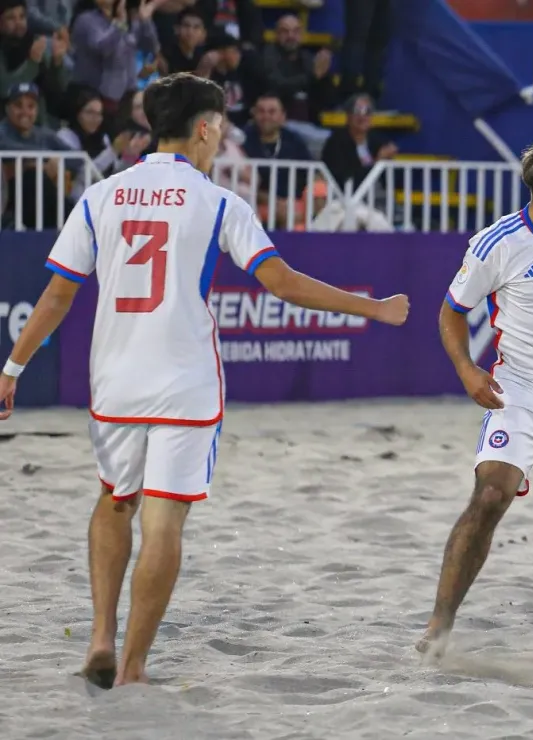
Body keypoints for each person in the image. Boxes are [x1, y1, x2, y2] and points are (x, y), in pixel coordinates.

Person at [0, 71, 410, 689]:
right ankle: (134, 668)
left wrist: (11, 368)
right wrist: (372, 308)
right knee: (163, 523)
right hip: (185, 382)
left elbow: (57, 296)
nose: (221, 138)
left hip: (115, 379)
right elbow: (283, 283)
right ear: (200, 128)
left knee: (115, 500)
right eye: (219, 126)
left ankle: (100, 636)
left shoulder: (103, 194)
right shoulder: (218, 201)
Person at [415, 132, 533, 659]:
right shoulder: (498, 242)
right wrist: (466, 370)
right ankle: (439, 624)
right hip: (517, 391)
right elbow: (451, 312)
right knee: (490, 495)